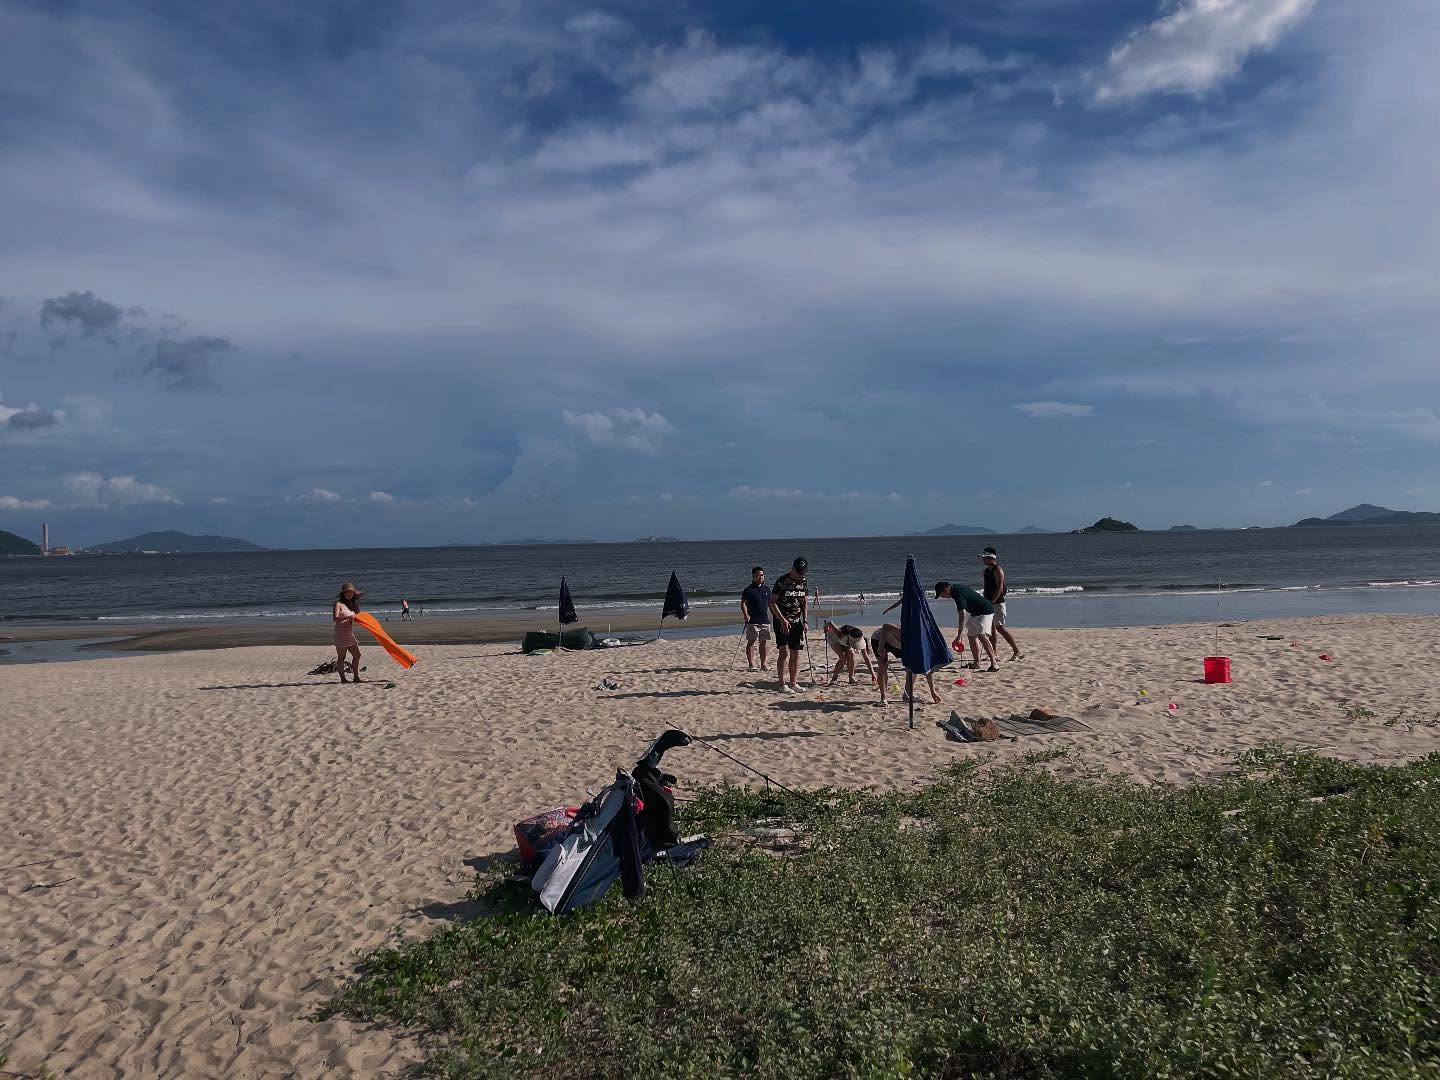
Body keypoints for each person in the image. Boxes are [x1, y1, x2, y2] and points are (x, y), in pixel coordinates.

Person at [934, 580, 999, 672]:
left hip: (985, 611)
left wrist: (959, 635)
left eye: (941, 594)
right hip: (974, 612)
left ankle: (994, 664)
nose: (942, 597)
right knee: (972, 636)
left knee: (981, 635)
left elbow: (962, 615)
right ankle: (976, 663)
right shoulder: (955, 588)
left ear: (945, 590)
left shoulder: (957, 593)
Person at [871, 622, 940, 706]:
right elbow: (886, 626)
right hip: (880, 639)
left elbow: (928, 671)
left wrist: (933, 692)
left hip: (899, 645)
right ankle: (883, 698)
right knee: (883, 666)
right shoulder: (903, 632)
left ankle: (907, 695)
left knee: (913, 666)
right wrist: (881, 647)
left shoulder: (919, 647)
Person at [768, 556, 809, 693]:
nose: (801, 574)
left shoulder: (803, 581)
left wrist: (805, 621)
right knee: (784, 652)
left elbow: (804, 602)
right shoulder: (782, 581)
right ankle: (782, 684)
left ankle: (793, 683)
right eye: (799, 572)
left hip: (797, 622)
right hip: (782, 623)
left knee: (796, 653)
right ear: (793, 568)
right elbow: (772, 602)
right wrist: (782, 619)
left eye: (803, 572)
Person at [980, 548, 1023, 661]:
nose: (983, 559)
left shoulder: (998, 570)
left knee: (1000, 628)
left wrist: (992, 601)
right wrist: (985, 601)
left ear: (991, 558)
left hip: (997, 603)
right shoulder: (985, 571)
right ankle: (994, 652)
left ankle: (1017, 651)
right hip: (988, 603)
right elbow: (986, 588)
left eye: (985, 557)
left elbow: (1000, 588)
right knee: (991, 629)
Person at [739, 566, 771, 671]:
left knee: (764, 642)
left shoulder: (767, 589)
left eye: (762, 575)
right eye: (758, 575)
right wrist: (745, 614)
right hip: (752, 621)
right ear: (753, 576)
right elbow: (743, 603)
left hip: (765, 620)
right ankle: (752, 664)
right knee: (751, 642)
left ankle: (764, 664)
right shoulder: (748, 590)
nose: (760, 577)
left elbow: (771, 603)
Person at [823, 620, 875, 685]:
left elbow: (866, 658)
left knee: (852, 654)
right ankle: (834, 678)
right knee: (844, 657)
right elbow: (830, 622)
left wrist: (873, 674)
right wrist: (825, 627)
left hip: (846, 641)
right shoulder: (840, 633)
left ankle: (851, 677)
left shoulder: (860, 639)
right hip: (834, 638)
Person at [333, 582, 364, 684]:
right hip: (340, 634)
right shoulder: (338, 604)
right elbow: (335, 618)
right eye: (347, 593)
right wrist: (348, 617)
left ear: (354, 594)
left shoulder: (352, 605)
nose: (349, 595)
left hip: (349, 633)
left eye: (351, 593)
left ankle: (356, 677)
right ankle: (343, 679)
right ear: (343, 594)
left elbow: (358, 617)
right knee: (341, 658)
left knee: (357, 655)